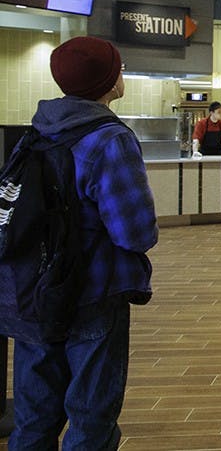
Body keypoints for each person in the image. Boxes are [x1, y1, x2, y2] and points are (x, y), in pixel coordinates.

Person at [3, 36, 158, 449]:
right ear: (107, 81)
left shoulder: (35, 132)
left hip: (31, 293)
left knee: (33, 419)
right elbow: (136, 232)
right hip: (91, 293)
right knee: (90, 419)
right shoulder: (109, 139)